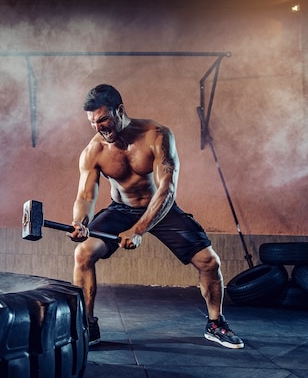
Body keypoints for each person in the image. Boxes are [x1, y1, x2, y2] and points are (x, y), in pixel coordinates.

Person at [68, 84, 244, 349]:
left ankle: (216, 323)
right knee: (82, 254)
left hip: (160, 207)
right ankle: (87, 324)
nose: (99, 127)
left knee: (210, 262)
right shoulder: (94, 152)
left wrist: (139, 230)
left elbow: (167, 189)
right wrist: (81, 222)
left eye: (104, 118)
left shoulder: (156, 135)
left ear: (120, 111)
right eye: (93, 122)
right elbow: (85, 196)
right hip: (120, 210)